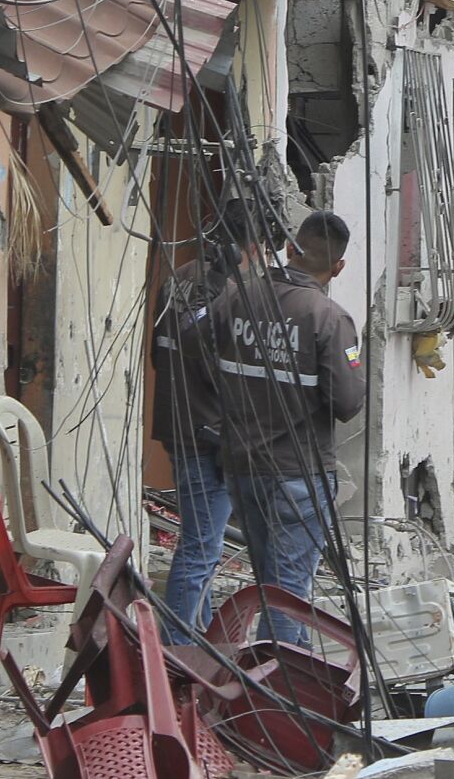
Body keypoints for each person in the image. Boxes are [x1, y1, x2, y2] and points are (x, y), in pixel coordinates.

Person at [209, 211, 366, 643]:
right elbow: (348, 403)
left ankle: (291, 670)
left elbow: (206, 367)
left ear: (291, 248)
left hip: (242, 468)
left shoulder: (234, 299)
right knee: (288, 592)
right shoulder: (329, 318)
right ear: (338, 267)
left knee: (271, 583)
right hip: (299, 473)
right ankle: (272, 677)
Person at [149, 198, 271, 641]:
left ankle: (194, 635)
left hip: (177, 423)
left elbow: (158, 354)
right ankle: (178, 646)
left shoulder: (178, 278)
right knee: (201, 547)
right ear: (251, 247)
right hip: (208, 433)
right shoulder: (233, 294)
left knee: (204, 542)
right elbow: (226, 372)